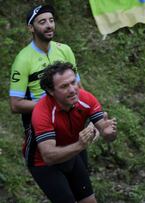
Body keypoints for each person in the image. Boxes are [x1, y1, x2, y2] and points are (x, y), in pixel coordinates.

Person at [8, 4, 94, 167]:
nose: (49, 25)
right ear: (30, 28)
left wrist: (92, 114)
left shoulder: (65, 50)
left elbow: (79, 89)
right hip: (44, 127)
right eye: (42, 22)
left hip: (71, 123)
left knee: (82, 179)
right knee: (56, 181)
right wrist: (51, 107)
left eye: (51, 20)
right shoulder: (23, 60)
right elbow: (15, 104)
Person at [27, 61, 117, 202]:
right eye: (64, 86)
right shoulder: (42, 111)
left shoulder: (86, 98)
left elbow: (106, 132)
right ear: (51, 91)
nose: (72, 89)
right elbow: (48, 156)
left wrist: (108, 132)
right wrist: (80, 145)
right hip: (42, 163)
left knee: (89, 200)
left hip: (71, 152)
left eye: (73, 82)